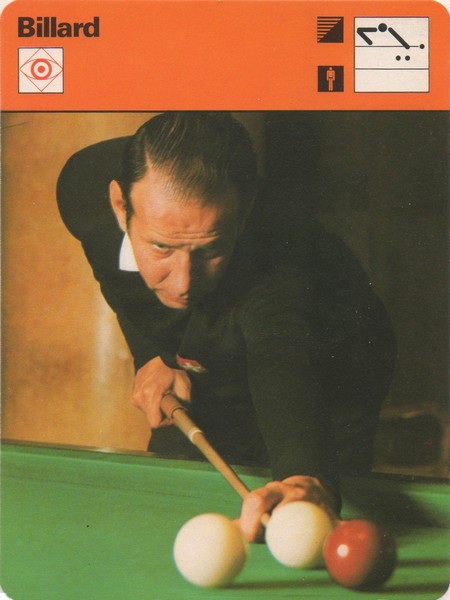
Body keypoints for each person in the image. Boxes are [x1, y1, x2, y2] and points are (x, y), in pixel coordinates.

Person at [57, 112, 395, 542]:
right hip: (236, 347)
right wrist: (152, 357)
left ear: (245, 210)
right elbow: (120, 282)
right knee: (179, 461)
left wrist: (304, 476)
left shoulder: (279, 269)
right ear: (120, 205)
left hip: (332, 362)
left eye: (210, 249)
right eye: (162, 247)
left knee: (305, 502)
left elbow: (283, 356)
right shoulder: (83, 191)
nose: (184, 282)